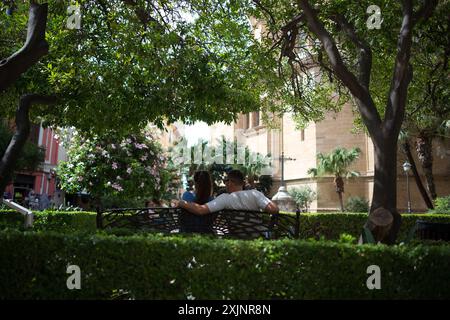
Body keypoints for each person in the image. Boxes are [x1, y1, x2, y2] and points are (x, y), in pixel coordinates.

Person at [177, 170, 279, 215]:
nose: (225, 184)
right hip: (258, 238)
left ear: (230, 183)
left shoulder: (225, 198)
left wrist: (181, 203)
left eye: (226, 181)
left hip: (234, 240)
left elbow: (200, 210)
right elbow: (274, 210)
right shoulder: (255, 194)